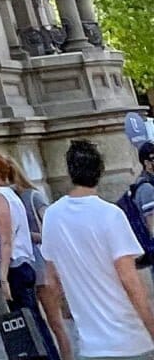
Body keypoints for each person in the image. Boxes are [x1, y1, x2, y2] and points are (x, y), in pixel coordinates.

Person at [42, 138, 154, 360]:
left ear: (70, 173)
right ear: (100, 172)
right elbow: (130, 281)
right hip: (129, 340)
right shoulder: (110, 215)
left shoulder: (52, 216)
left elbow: (51, 282)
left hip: (89, 345)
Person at [0, 148, 58, 360]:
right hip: (21, 265)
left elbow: (6, 240)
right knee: (33, 322)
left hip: (14, 268)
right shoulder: (10, 195)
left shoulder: (0, 197)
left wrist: (3, 277)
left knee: (27, 325)